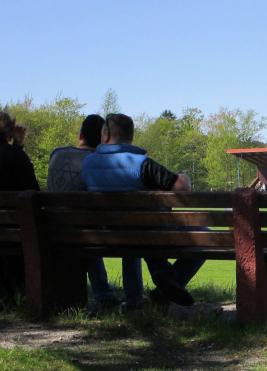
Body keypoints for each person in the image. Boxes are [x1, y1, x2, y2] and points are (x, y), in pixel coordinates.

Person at [82, 113, 203, 307]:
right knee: (204, 235)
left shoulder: (88, 164)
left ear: (105, 134)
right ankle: (170, 281)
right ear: (130, 136)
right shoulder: (141, 163)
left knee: (132, 235)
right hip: (144, 234)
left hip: (106, 235)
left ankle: (137, 298)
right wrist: (185, 176)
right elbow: (181, 187)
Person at [48, 115, 129, 311]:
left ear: (80, 134)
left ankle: (104, 293)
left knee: (84, 228)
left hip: (52, 228)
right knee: (89, 229)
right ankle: (106, 294)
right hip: (86, 233)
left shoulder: (56, 154)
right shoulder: (97, 161)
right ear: (102, 139)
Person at [0, 112, 39, 301]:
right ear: (9, 132)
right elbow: (34, 193)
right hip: (14, 234)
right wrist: (17, 147)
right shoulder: (16, 157)